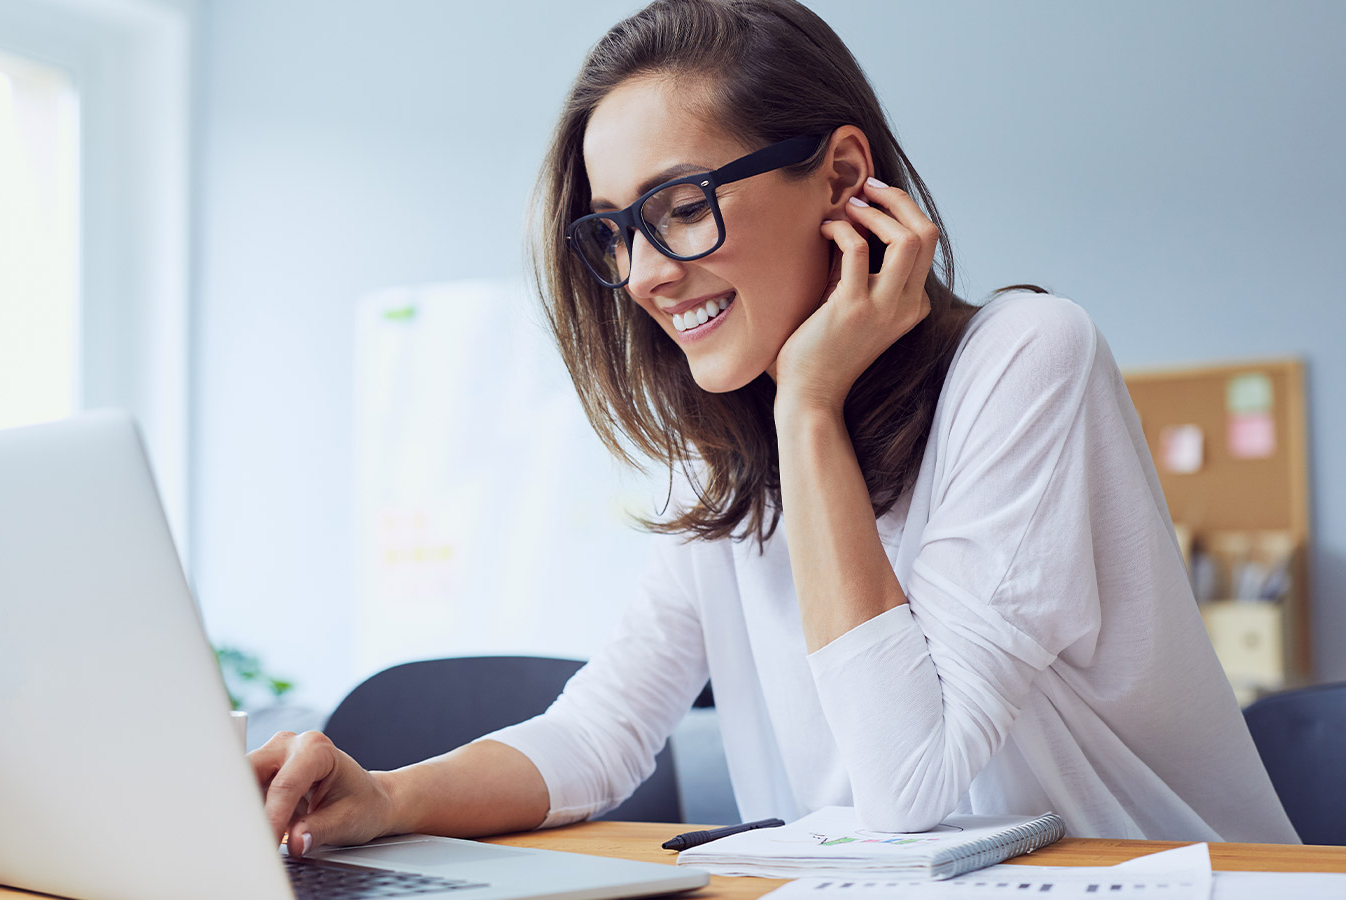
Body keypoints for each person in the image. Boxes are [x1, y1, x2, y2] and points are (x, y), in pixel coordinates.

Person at [249, 0, 1298, 852]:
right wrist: (383, 797)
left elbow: (911, 784)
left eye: (681, 203)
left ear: (842, 177)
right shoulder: (727, 458)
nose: (647, 273)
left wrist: (809, 404)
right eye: (615, 232)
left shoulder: (1028, 358)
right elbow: (598, 733)